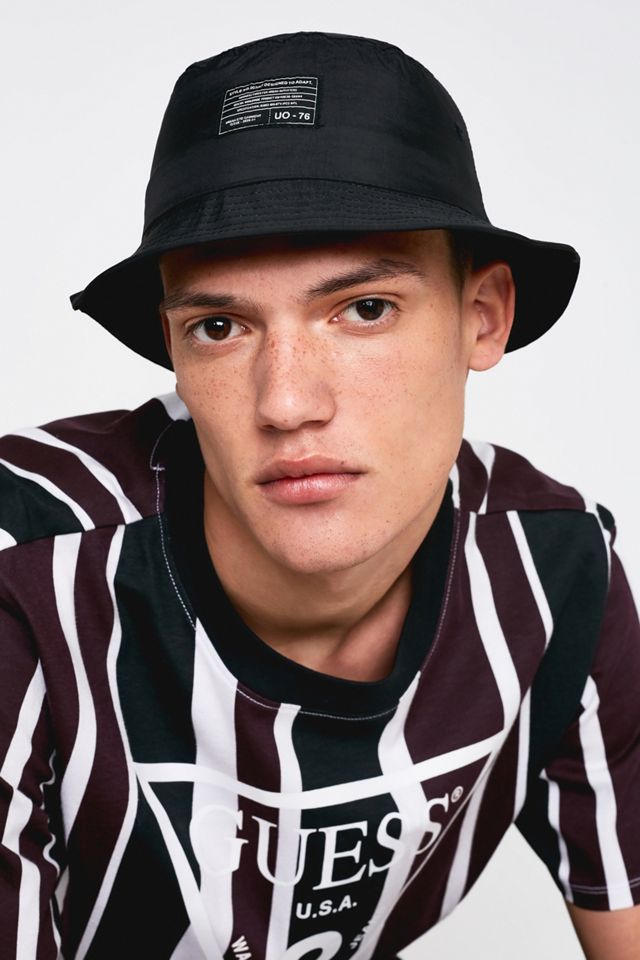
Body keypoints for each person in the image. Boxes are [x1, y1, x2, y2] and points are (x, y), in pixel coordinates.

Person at [0, 29, 638, 960]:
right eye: (219, 326)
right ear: (171, 345)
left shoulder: (552, 570)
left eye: (364, 310)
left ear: (483, 316)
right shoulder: (29, 564)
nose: (287, 402)